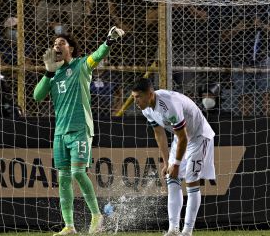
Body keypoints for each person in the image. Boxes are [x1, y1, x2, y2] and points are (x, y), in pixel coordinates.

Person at [33, 26, 125, 235]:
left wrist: (109, 40)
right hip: (60, 133)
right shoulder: (53, 75)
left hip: (80, 129)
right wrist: (48, 72)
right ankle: (69, 226)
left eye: (61, 43)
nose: (56, 45)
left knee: (77, 172)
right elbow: (37, 96)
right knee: (63, 178)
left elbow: (97, 55)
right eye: (54, 43)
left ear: (71, 49)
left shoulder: (82, 65)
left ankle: (96, 215)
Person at [131, 78, 216, 236]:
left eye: (138, 97)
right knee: (172, 180)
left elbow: (184, 137)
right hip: (181, 138)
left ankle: (187, 232)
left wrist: (175, 164)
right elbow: (159, 133)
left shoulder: (168, 105)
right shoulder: (146, 108)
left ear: (150, 94)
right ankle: (173, 230)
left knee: (191, 182)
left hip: (199, 137)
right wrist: (166, 162)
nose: (135, 101)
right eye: (133, 96)